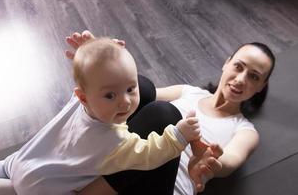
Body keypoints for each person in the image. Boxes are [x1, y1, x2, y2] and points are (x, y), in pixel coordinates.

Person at [65, 31, 275, 195]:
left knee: (165, 114)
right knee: (143, 87)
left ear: (260, 86)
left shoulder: (245, 130)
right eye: (239, 66)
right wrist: (101, 61)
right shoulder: (189, 92)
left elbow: (230, 161)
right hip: (121, 167)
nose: (241, 79)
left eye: (254, 77)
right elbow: (132, 95)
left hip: (158, 188)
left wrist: (209, 161)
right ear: (227, 62)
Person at [0, 37, 205, 195]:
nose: (124, 101)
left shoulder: (78, 103)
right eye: (110, 95)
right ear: (84, 97)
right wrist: (179, 135)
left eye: (131, 89)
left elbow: (94, 81)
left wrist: (94, 55)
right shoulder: (116, 143)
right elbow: (150, 154)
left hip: (20, 162)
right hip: (41, 190)